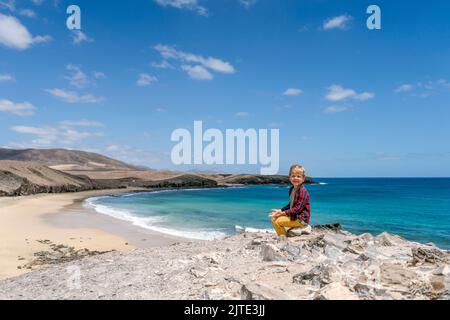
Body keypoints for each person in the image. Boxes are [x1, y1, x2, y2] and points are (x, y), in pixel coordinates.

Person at [269, 164, 311, 239]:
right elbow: (291, 204)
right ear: (289, 177)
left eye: (298, 176)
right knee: (273, 217)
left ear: (303, 178)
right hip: (294, 215)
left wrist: (282, 213)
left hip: (301, 219)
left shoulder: (303, 191)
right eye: (293, 176)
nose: (295, 178)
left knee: (278, 221)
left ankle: (283, 238)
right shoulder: (292, 189)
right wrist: (281, 210)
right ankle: (283, 235)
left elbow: (298, 208)